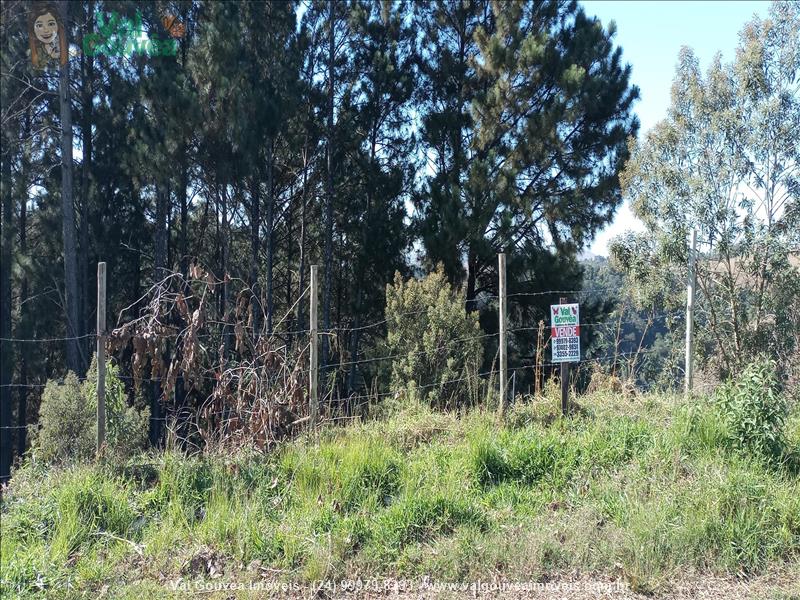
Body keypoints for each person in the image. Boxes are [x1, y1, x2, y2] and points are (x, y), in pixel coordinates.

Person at [28, 3, 67, 68]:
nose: (46, 30)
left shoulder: (68, 48)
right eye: (39, 25)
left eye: (51, 24)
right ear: (33, 30)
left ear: (58, 26)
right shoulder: (30, 54)